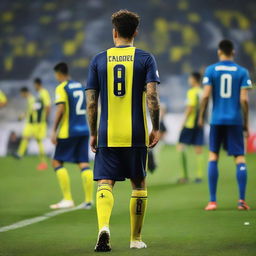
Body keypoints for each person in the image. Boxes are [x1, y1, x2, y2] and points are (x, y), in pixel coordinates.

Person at [86, 9, 160, 252]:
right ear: (135, 32)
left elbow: (91, 102)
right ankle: (135, 239)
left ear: (114, 32)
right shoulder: (146, 58)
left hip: (108, 133)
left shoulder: (98, 60)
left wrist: (94, 132)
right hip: (136, 134)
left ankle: (104, 227)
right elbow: (152, 96)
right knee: (138, 184)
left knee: (105, 183)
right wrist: (155, 126)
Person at [198, 39, 252, 211]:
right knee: (240, 158)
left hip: (216, 119)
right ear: (233, 52)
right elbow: (244, 99)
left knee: (213, 156)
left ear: (219, 52)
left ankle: (212, 201)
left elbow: (205, 96)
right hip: (235, 120)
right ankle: (241, 201)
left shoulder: (211, 70)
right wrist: (245, 122)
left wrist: (201, 116)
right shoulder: (242, 72)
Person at [50, 62, 93, 210]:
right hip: (83, 130)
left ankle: (67, 199)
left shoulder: (62, 88)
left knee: (56, 162)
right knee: (83, 163)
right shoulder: (80, 86)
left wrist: (54, 130)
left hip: (68, 131)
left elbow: (60, 109)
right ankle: (88, 201)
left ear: (58, 74)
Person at [177, 72, 204, 183]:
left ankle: (184, 176)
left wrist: (183, 122)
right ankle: (199, 176)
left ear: (194, 79)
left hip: (190, 124)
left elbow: (190, 108)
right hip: (200, 124)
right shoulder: (202, 92)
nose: (189, 80)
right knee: (198, 149)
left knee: (180, 147)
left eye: (190, 78)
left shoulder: (192, 92)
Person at [15, 87, 40, 162]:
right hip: (31, 122)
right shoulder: (31, 99)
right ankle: (20, 154)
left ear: (24, 92)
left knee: (38, 140)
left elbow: (32, 110)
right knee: (25, 137)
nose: (21, 95)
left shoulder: (32, 99)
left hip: (33, 123)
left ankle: (42, 157)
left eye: (21, 93)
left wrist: (22, 116)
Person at [33, 78, 51, 170]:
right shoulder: (39, 94)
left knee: (40, 141)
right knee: (38, 141)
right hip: (38, 122)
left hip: (41, 122)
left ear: (37, 84)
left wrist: (45, 119)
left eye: (34, 85)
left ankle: (44, 163)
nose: (34, 87)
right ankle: (43, 161)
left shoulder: (44, 93)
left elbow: (48, 106)